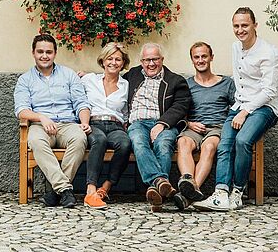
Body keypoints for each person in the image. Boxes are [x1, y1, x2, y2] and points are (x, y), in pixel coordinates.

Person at [194, 7, 278, 211]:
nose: (240, 30)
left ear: (255, 25)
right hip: (240, 105)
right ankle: (220, 193)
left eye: (244, 25)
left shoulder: (270, 53)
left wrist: (245, 112)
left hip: (265, 108)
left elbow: (269, 91)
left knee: (242, 140)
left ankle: (237, 191)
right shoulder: (236, 47)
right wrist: (238, 109)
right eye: (236, 26)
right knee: (225, 143)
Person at [14, 34, 91, 208]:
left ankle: (56, 192)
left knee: (79, 138)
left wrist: (84, 121)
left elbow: (82, 103)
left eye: (49, 52)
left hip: (68, 123)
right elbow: (21, 110)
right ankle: (65, 190)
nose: (44, 55)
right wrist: (41, 117)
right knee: (35, 141)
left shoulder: (69, 75)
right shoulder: (25, 80)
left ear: (55, 53)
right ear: (33, 53)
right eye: (40, 51)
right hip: (40, 125)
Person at [124, 42, 191, 212]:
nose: (151, 64)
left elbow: (181, 105)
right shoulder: (132, 75)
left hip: (165, 124)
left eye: (155, 59)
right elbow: (111, 79)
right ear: (141, 61)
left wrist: (162, 123)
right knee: (138, 142)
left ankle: (156, 193)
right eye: (147, 60)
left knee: (163, 144)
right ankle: (160, 182)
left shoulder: (175, 80)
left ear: (162, 59)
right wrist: (87, 77)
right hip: (138, 123)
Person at [173, 41, 235, 210]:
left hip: (217, 128)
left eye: (204, 56)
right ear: (192, 60)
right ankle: (187, 181)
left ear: (211, 58)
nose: (200, 60)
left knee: (208, 147)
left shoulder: (226, 83)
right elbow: (178, 109)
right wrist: (189, 123)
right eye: (196, 57)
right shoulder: (187, 84)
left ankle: (191, 190)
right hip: (193, 127)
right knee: (183, 142)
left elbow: (236, 108)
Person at [79, 42, 132, 209]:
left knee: (125, 144)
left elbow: (126, 111)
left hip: (116, 125)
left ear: (123, 63)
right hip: (94, 123)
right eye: (110, 58)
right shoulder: (89, 80)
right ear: (102, 61)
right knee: (99, 140)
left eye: (118, 59)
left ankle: (106, 187)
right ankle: (91, 191)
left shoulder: (126, 85)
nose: (113, 62)